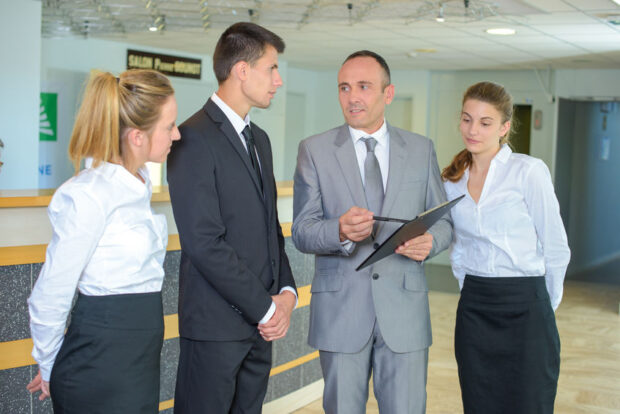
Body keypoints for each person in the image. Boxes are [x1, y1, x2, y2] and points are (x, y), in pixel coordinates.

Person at [292, 50, 453, 414]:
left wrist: (431, 243)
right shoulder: (313, 151)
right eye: (344, 87)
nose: (353, 97)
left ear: (388, 93)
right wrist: (340, 231)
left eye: (364, 86)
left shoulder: (420, 149)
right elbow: (302, 231)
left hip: (405, 310)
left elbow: (443, 221)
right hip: (341, 311)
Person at [26, 69, 180, 412]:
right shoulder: (88, 195)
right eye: (169, 126)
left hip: (137, 363)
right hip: (99, 367)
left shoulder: (137, 185)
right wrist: (50, 366)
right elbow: (50, 293)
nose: (177, 134)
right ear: (137, 136)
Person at [166, 22, 297, 414]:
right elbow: (204, 243)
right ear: (242, 70)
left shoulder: (261, 141)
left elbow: (270, 229)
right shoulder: (191, 138)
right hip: (214, 331)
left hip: (260, 330)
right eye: (272, 69)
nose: (278, 81)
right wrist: (266, 307)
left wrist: (286, 295)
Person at [442, 81, 571, 414]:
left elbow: (556, 246)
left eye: (485, 123)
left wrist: (543, 307)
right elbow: (457, 245)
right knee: (479, 404)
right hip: (475, 308)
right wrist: (469, 287)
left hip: (526, 307)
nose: (473, 130)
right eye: (467, 119)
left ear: (504, 127)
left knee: (530, 404)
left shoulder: (528, 172)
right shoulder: (450, 180)